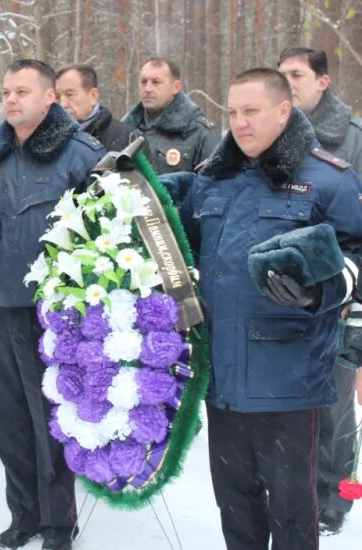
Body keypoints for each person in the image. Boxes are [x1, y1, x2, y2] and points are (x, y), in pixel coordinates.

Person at [179, 68, 362, 550]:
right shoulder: (212, 180)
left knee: (292, 510)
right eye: (233, 112)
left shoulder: (328, 180)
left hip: (288, 379)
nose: (239, 123)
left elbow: (357, 254)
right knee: (235, 505)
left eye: (251, 111)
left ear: (285, 111)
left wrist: (323, 290)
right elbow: (187, 253)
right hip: (223, 379)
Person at [0, 59, 105, 550]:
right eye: (7, 91)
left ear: (50, 98)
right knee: (10, 414)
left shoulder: (80, 155)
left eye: (23, 92)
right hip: (1, 301)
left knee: (49, 417)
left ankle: (58, 522)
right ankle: (24, 514)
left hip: (54, 311)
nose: (11, 100)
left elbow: (107, 232)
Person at [278, 46, 362, 536]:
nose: (288, 82)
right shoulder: (274, 135)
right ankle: (299, 488)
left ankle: (336, 497)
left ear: (322, 81)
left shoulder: (351, 142)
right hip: (284, 294)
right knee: (292, 405)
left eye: (297, 74)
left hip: (340, 296)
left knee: (333, 404)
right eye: (282, 73)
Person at [122, 57, 221, 175]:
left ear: (176, 87)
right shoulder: (125, 131)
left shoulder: (200, 133)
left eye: (156, 82)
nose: (147, 89)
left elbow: (214, 186)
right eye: (143, 82)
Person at [55, 64, 134, 152]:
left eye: (70, 95)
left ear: (93, 96)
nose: (62, 104)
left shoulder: (128, 139)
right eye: (57, 97)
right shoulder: (47, 140)